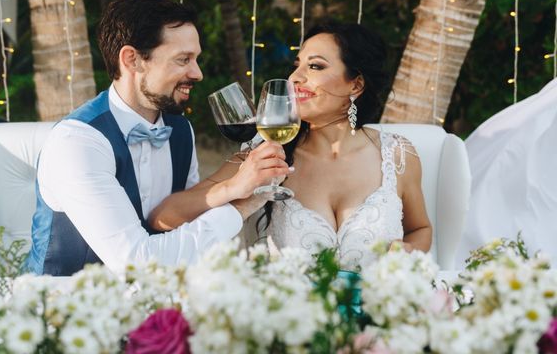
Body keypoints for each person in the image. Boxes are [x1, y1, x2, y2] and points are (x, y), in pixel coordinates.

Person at [24, 0, 289, 275]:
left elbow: (189, 230)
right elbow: (136, 263)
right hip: (64, 308)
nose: (197, 73)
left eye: (196, 59)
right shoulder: (78, 143)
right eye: (183, 59)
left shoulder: (180, 131)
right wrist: (241, 205)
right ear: (132, 60)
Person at [152, 21, 432, 272]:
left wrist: (409, 251)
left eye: (315, 66)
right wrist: (235, 186)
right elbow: (164, 217)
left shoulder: (397, 155)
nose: (295, 77)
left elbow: (420, 229)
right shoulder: (262, 154)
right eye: (297, 65)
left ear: (356, 85)